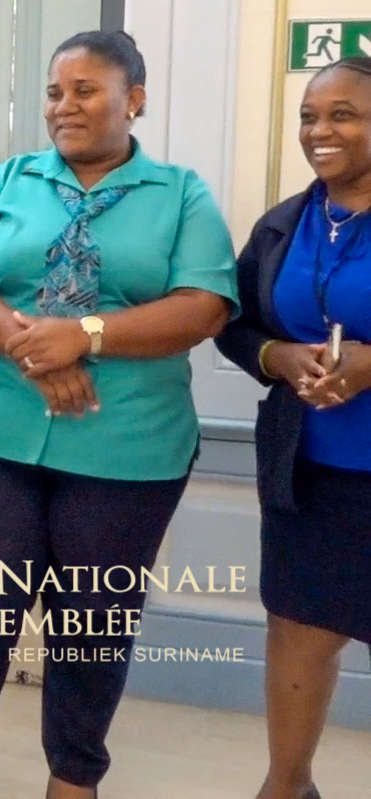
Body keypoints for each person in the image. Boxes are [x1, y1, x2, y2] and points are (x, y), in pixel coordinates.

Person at [0, 30, 235, 799]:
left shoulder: (181, 195)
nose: (64, 106)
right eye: (55, 92)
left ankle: (74, 773)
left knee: (92, 614)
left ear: (133, 100)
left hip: (127, 447)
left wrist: (84, 335)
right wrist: (37, 351)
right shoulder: (9, 180)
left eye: (85, 90)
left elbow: (204, 306)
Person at [215, 56, 371, 799]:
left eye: (343, 114)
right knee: (299, 632)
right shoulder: (284, 224)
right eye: (310, 116)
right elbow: (233, 323)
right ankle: (285, 787)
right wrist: (276, 356)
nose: (319, 131)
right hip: (308, 473)